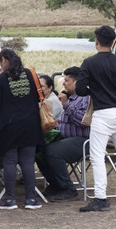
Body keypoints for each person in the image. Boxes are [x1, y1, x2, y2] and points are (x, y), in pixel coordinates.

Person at [75, 25, 116, 212]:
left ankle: (101, 198)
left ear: (96, 41)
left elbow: (80, 89)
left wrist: (94, 91)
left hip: (102, 113)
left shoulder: (89, 63)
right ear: (113, 42)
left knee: (97, 156)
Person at [0, 48, 44, 210]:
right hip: (31, 124)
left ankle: (10, 200)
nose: (0, 65)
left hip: (9, 125)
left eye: (0, 61)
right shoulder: (31, 75)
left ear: (5, 60)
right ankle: (31, 199)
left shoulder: (0, 80)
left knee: (10, 162)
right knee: (28, 161)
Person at [36, 66, 90, 202]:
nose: (64, 83)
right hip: (66, 138)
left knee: (53, 151)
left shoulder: (85, 98)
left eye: (67, 80)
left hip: (83, 140)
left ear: (77, 82)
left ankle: (68, 189)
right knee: (38, 149)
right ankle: (55, 185)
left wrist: (65, 104)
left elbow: (82, 121)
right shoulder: (71, 97)